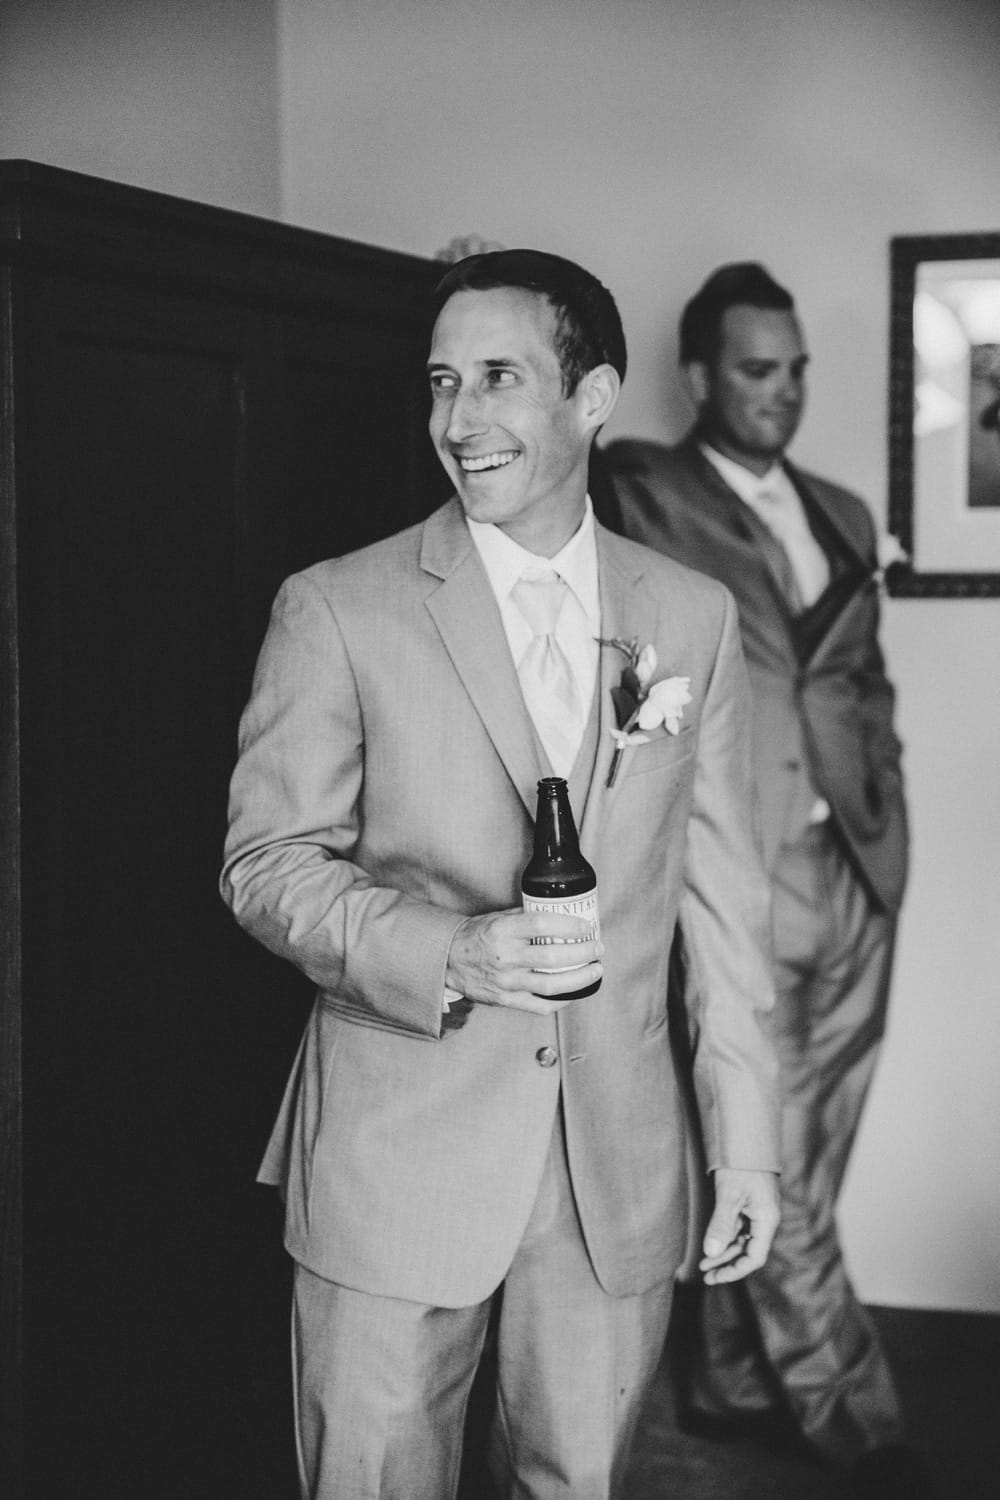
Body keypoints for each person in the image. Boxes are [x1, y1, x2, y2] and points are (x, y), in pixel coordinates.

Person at [221, 249, 781, 1500]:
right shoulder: (337, 607)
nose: (457, 421)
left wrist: (746, 1141)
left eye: (496, 380)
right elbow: (264, 868)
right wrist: (453, 951)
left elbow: (727, 901)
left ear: (592, 399)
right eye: (439, 384)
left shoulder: (689, 616)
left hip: (612, 1172)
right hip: (394, 1157)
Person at [602, 263, 925, 1497]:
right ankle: (858, 1419)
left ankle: (730, 1379)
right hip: (737, 868)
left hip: (856, 864)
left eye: (794, 370)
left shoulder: (840, 509)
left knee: (813, 1149)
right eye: (755, 370)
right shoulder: (640, 487)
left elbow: (859, 683)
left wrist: (880, 795)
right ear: (695, 379)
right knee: (769, 1148)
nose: (782, 393)